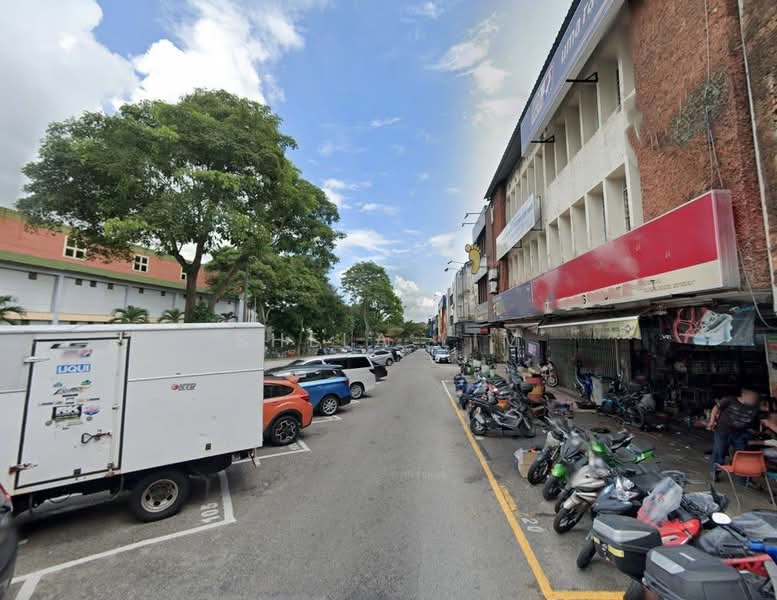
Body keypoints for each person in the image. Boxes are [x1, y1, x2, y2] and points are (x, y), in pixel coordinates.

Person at [707, 388, 760, 481]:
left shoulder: (755, 407)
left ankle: (744, 479)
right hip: (723, 430)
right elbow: (716, 408)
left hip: (740, 433)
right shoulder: (730, 400)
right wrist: (712, 421)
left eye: (756, 398)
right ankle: (715, 472)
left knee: (743, 453)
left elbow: (761, 421)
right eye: (753, 397)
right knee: (720, 451)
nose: (754, 399)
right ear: (744, 395)